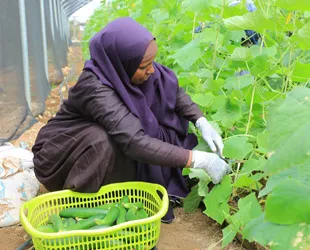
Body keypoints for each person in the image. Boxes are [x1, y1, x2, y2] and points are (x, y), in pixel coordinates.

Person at [32, 17, 231, 223]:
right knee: (103, 140)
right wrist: (196, 159)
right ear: (122, 61)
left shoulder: (130, 67)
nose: (152, 70)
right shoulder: (95, 86)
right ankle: (80, 210)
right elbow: (134, 141)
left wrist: (200, 120)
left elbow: (174, 93)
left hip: (103, 148)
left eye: (152, 62)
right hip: (60, 156)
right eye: (145, 66)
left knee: (156, 135)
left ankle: (113, 190)